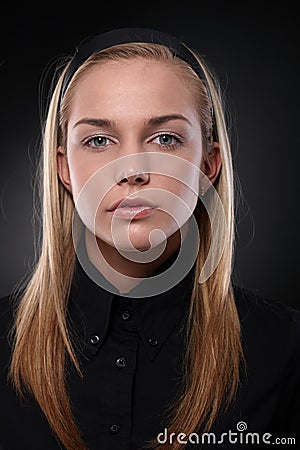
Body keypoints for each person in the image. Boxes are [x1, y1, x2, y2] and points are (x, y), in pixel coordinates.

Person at [0, 27, 299, 450]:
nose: (132, 169)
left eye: (165, 138)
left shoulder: (285, 351)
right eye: (99, 140)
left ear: (208, 165)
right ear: (65, 169)